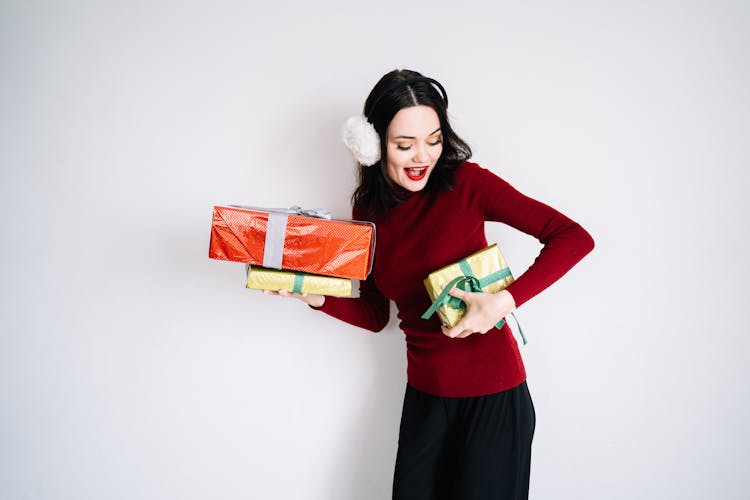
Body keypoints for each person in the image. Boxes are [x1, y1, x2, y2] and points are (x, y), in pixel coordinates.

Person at [265, 69, 595, 500]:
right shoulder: (367, 209)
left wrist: (503, 302)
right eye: (404, 145)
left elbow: (573, 237)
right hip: (424, 399)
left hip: (493, 398)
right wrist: (311, 294)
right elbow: (373, 313)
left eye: (433, 140)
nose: (422, 156)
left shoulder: (467, 184)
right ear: (372, 143)